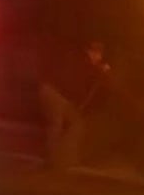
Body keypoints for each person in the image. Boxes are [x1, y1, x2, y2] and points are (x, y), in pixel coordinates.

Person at [38, 40, 113, 170]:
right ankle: (54, 160)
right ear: (91, 52)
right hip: (54, 92)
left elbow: (86, 82)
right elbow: (88, 75)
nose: (99, 58)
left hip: (54, 92)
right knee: (58, 125)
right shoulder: (83, 61)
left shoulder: (80, 59)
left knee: (73, 123)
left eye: (100, 54)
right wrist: (101, 70)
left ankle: (61, 158)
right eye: (97, 54)